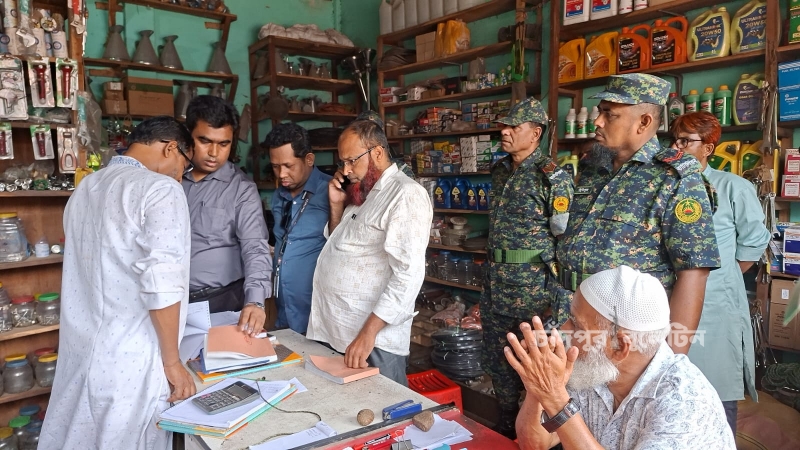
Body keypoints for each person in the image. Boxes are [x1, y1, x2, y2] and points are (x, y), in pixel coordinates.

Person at [40, 117, 197, 449]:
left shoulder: (86, 188)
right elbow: (162, 284)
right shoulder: (159, 188)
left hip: (82, 355)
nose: (181, 176)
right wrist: (172, 362)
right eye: (184, 164)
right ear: (171, 148)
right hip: (132, 363)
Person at [556, 73, 720, 355]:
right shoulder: (593, 167)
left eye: (610, 114)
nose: (597, 121)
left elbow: (693, 272)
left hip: (625, 335)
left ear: (644, 122)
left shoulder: (675, 177)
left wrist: (672, 359)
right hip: (569, 320)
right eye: (599, 112)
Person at [504, 266, 735, 449]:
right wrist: (539, 386)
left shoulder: (685, 400)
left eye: (577, 324)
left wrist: (555, 399)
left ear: (619, 347)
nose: (563, 330)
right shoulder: (591, 370)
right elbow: (534, 443)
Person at [306, 120, 432, 386]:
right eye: (343, 162)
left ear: (377, 153)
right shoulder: (363, 194)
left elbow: (407, 276)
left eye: (352, 161)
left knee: (385, 414)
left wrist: (368, 333)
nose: (346, 170)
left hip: (374, 340)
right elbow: (339, 246)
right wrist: (337, 205)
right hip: (342, 332)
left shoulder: (405, 194)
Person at [671, 111, 771, 434]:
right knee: (674, 390)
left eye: (686, 141)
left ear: (708, 149)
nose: (677, 146)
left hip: (717, 305)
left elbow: (756, 240)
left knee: (715, 390)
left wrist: (722, 275)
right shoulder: (667, 184)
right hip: (671, 300)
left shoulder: (733, 188)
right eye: (675, 139)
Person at [481, 97, 574, 438]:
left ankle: (536, 431)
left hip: (533, 290)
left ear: (535, 133)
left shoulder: (553, 178)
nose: (504, 132)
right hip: (495, 285)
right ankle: (506, 422)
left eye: (513, 127)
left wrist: (559, 299)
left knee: (535, 363)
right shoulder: (500, 171)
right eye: (503, 126)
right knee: (498, 355)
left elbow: (564, 240)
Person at [182, 95, 270, 335]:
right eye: (204, 141)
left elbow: (255, 246)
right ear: (188, 135)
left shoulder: (241, 188)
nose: (213, 153)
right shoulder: (169, 180)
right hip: (168, 301)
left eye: (224, 144)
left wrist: (255, 300)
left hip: (221, 302)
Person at [266, 123, 331, 334]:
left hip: (317, 315)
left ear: (309, 159)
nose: (281, 174)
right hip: (284, 308)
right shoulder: (279, 195)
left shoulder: (332, 192)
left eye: (288, 166)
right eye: (275, 166)